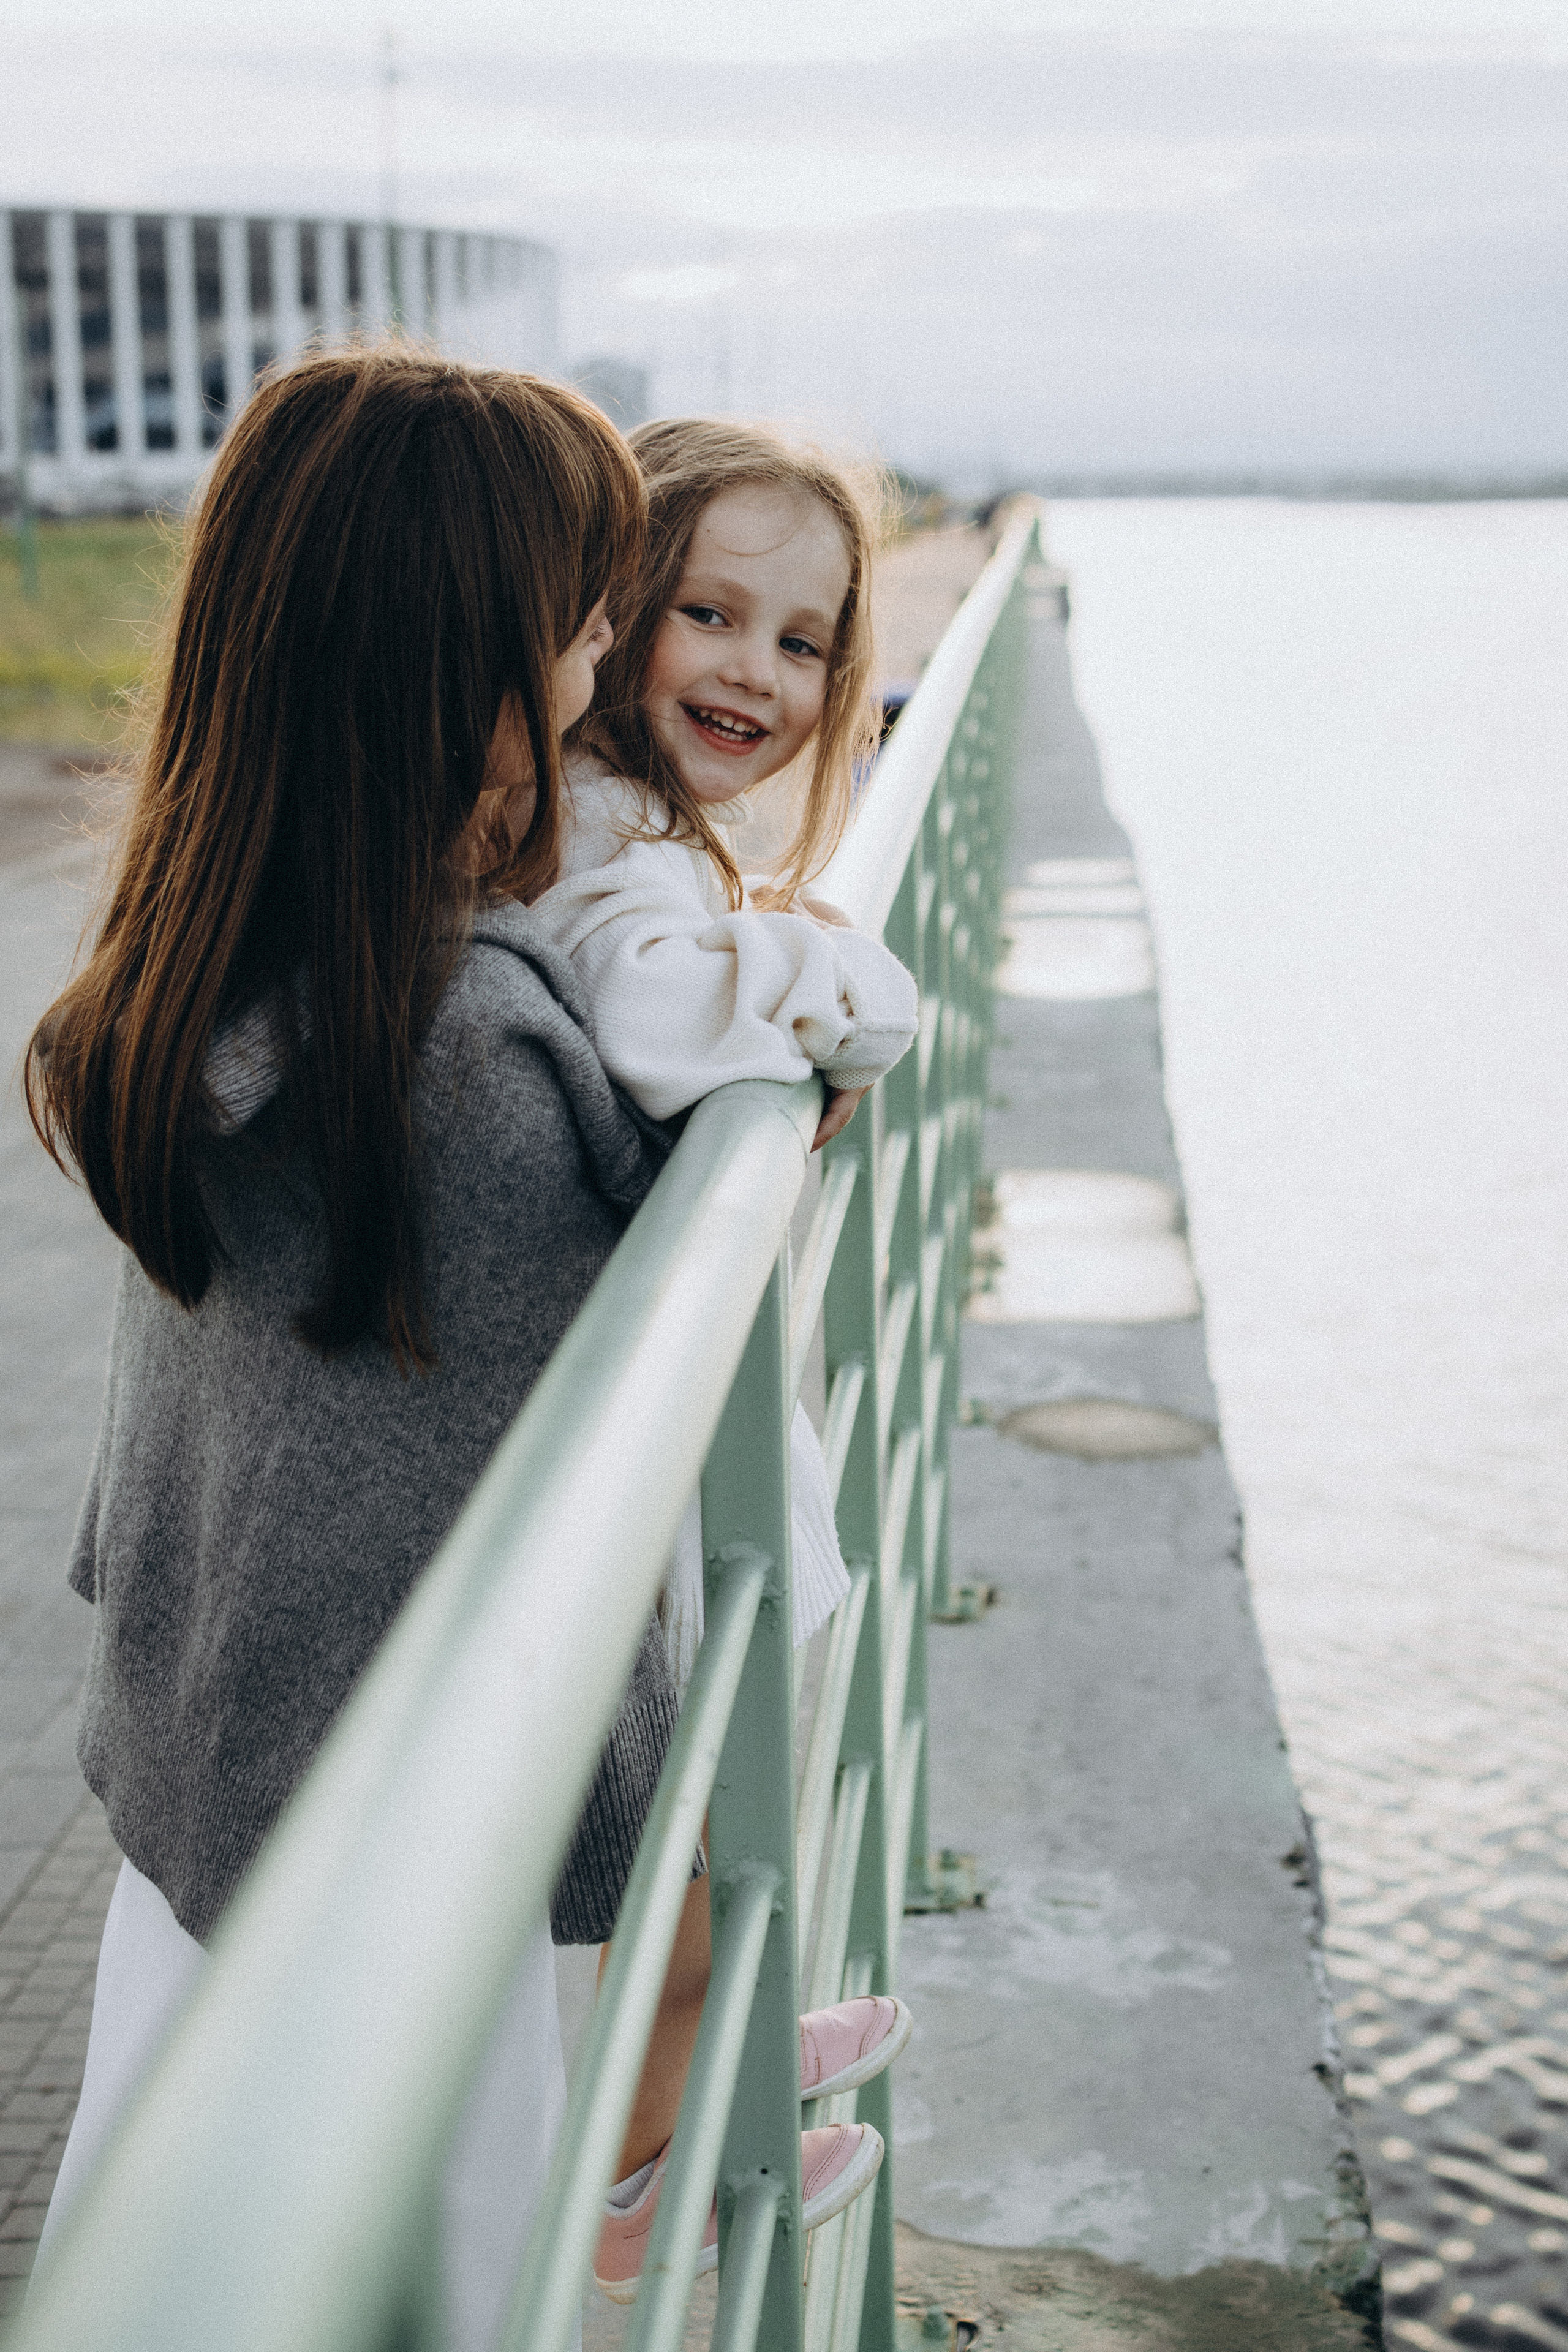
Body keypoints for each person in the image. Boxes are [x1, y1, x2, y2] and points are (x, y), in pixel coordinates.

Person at [24, 347, 679, 2350]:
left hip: (209, 1814)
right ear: (454, 669)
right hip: (401, 1913)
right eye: (579, 626)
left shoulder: (218, 969)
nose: (602, 677)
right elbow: (627, 1492)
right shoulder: (468, 1071)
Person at [529, 417, 921, 2299]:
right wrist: (843, 989)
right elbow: (673, 1020)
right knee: (676, 1807)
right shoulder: (599, 832)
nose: (755, 674)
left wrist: (768, 926)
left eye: (803, 640)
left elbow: (685, 965)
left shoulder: (641, 834)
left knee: (690, 1811)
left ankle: (680, 2077)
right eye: (709, 613)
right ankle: (645, 2153)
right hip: (628, 1433)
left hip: (636, 1419)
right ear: (616, 611)